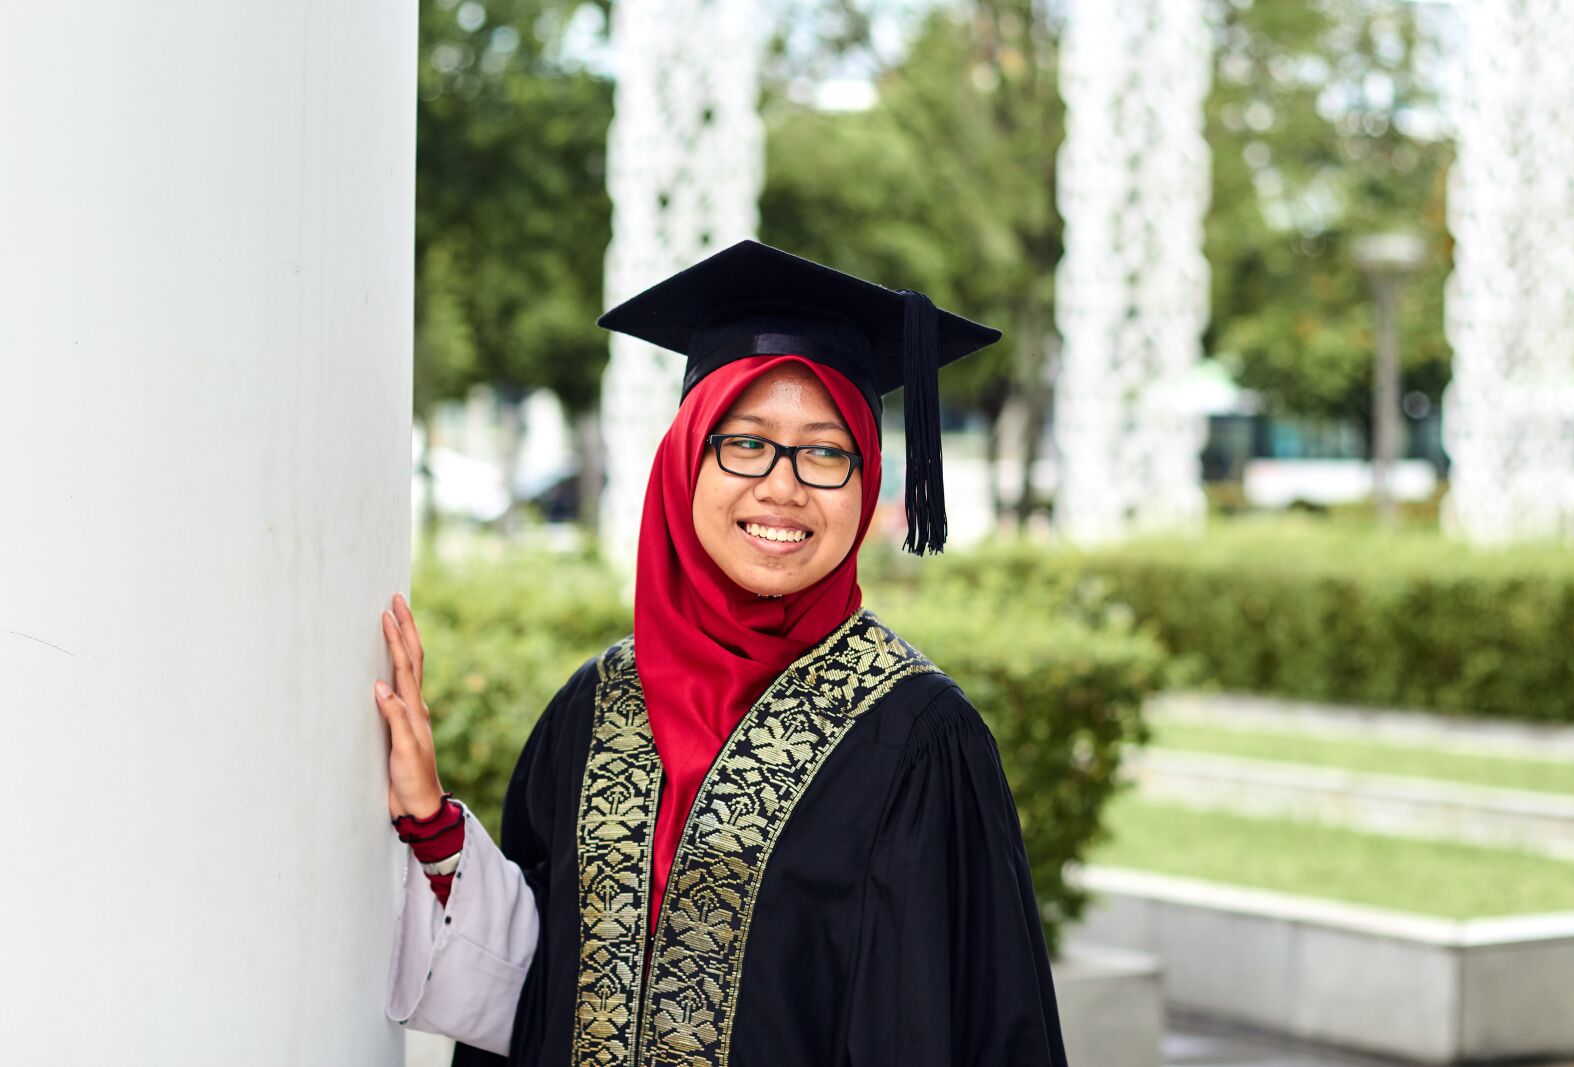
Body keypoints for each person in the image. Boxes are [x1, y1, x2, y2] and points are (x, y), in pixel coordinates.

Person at [376, 240, 1070, 1066]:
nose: (783, 486)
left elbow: (958, 1026)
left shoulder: (918, 739)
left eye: (825, 450)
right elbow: (532, 983)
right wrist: (432, 826)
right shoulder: (594, 709)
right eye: (744, 442)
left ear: (868, 479)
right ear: (684, 461)